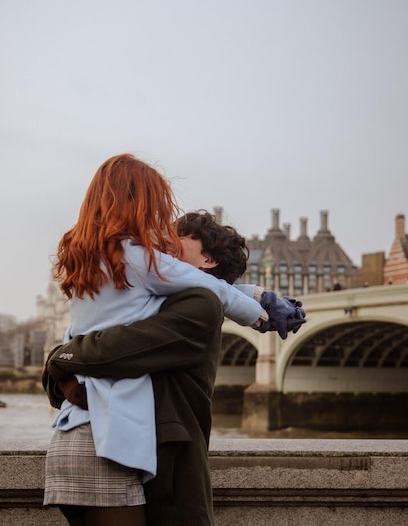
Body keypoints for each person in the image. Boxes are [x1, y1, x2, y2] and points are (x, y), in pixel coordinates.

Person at [43, 155, 274, 526]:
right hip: (105, 443)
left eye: (183, 237)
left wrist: (62, 360)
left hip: (70, 438)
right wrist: (259, 311)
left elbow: (203, 286)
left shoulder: (95, 257)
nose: (167, 232)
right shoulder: (143, 263)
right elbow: (206, 288)